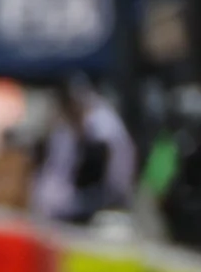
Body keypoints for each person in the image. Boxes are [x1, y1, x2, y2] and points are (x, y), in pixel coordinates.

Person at [35, 77, 138, 225]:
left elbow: (111, 166)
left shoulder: (102, 121)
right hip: (66, 203)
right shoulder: (64, 128)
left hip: (100, 200)